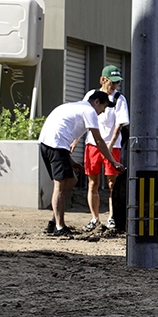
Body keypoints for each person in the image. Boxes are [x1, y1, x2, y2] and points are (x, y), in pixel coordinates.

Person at [38, 91, 122, 236]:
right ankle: (58, 226)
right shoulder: (89, 111)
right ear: (96, 102)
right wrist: (113, 161)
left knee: (71, 180)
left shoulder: (75, 107)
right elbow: (99, 141)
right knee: (60, 184)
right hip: (56, 145)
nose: (102, 112)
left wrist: (72, 162)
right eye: (103, 107)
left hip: (47, 143)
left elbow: (62, 133)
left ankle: (55, 220)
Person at [71, 65, 129, 231]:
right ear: (103, 80)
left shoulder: (119, 99)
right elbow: (82, 118)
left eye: (117, 83)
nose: (114, 87)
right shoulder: (91, 95)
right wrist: (76, 140)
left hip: (113, 145)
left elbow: (119, 124)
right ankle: (94, 218)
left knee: (113, 183)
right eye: (112, 83)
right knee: (92, 182)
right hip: (92, 144)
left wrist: (110, 145)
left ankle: (112, 217)